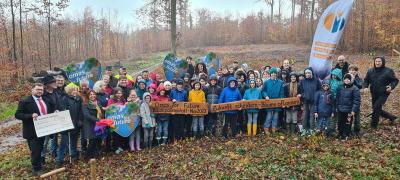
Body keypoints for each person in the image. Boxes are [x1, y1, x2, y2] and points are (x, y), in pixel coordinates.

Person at [15, 83, 55, 176]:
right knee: (36, 150)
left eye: (41, 90)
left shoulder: (46, 99)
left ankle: (39, 163)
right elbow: (18, 115)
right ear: (32, 90)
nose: (39, 91)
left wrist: (55, 112)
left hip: (45, 129)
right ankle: (37, 169)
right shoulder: (25, 101)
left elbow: (51, 109)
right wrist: (30, 115)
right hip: (32, 131)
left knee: (41, 148)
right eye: (37, 89)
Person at [363, 56, 399, 128]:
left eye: (379, 61)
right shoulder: (370, 71)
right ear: (374, 62)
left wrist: (391, 86)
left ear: (383, 62)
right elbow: (366, 80)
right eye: (376, 61)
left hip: (384, 92)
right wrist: (365, 87)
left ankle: (373, 126)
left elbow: (395, 80)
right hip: (374, 92)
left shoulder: (388, 71)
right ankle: (393, 117)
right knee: (376, 108)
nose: (377, 63)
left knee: (376, 107)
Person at [56, 84, 83, 167]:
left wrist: (80, 120)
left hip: (76, 124)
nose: (75, 91)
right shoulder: (64, 99)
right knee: (63, 143)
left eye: (76, 90)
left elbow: (80, 111)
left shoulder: (78, 99)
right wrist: (66, 123)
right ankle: (59, 160)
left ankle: (74, 155)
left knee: (74, 141)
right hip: (66, 125)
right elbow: (62, 112)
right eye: (73, 90)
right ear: (69, 91)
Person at [336, 74, 361, 140]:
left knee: (347, 122)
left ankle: (346, 134)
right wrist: (337, 107)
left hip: (349, 110)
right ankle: (340, 133)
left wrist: (353, 110)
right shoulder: (340, 87)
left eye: (348, 79)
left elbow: (356, 101)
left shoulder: (355, 88)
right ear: (343, 80)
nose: (346, 80)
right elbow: (337, 98)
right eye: (345, 79)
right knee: (340, 122)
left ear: (350, 80)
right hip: (340, 109)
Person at [262, 67, 284, 135]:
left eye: (275, 73)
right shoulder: (266, 82)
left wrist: (281, 100)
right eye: (272, 73)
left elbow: (282, 93)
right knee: (269, 116)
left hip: (277, 103)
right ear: (270, 74)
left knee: (275, 116)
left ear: (276, 74)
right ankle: (266, 128)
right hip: (269, 102)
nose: (273, 74)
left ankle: (274, 128)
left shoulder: (280, 82)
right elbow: (263, 91)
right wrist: (266, 96)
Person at [299, 67, 321, 135]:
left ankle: (312, 130)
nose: (307, 74)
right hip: (306, 101)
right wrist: (303, 96)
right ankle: (304, 130)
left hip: (314, 101)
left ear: (311, 73)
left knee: (312, 116)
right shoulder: (303, 81)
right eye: (306, 73)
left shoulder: (316, 80)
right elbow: (301, 91)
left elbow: (319, 90)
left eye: (309, 73)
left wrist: (316, 97)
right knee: (305, 115)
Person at [82, 90, 103, 159]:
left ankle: (95, 155)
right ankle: (88, 156)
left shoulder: (98, 103)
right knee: (92, 140)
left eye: (94, 94)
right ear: (88, 96)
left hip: (98, 124)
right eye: (91, 94)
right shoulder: (85, 104)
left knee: (97, 140)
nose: (92, 96)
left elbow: (101, 112)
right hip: (90, 124)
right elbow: (87, 115)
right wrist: (97, 120)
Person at [107, 87, 128, 154]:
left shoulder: (123, 100)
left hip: (121, 120)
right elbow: (109, 109)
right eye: (118, 93)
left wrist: (126, 105)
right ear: (115, 93)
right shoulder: (111, 100)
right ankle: (115, 147)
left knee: (121, 134)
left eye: (120, 93)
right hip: (114, 120)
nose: (119, 94)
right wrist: (115, 106)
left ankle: (120, 147)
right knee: (115, 134)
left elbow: (125, 109)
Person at [348, 64, 363, 135]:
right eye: (350, 70)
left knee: (357, 115)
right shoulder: (346, 78)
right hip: (347, 100)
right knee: (349, 115)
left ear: (356, 72)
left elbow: (360, 86)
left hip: (356, 100)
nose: (352, 71)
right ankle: (349, 129)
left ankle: (357, 129)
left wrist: (354, 80)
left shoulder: (359, 79)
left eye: (354, 70)